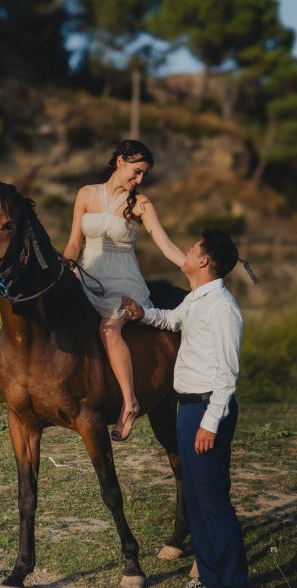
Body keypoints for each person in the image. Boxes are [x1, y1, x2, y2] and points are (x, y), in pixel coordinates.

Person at [121, 229, 253, 588]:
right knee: (195, 501)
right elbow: (171, 319)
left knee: (214, 502)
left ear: (203, 261)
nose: (187, 252)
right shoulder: (196, 299)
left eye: (193, 249)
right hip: (188, 409)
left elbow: (227, 373)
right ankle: (209, 580)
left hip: (209, 409)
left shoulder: (222, 308)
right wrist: (142, 313)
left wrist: (210, 424)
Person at [62, 140, 185, 441]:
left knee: (108, 329)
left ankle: (129, 403)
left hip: (122, 280)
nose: (139, 179)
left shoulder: (141, 204)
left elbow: (165, 245)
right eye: (137, 171)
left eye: (144, 175)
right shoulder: (86, 193)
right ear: (120, 162)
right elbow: (75, 242)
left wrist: (193, 267)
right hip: (87, 273)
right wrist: (64, 266)